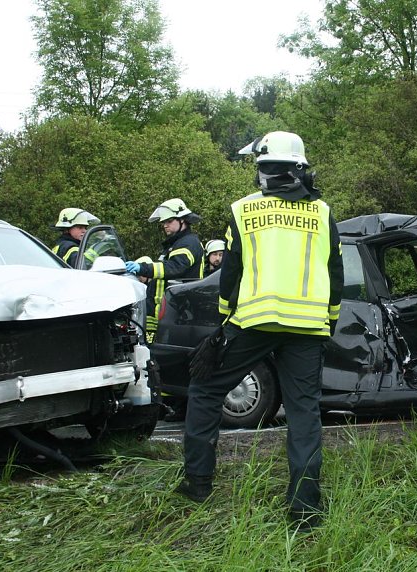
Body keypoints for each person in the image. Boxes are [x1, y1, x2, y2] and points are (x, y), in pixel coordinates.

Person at [178, 131, 344, 532]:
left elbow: (229, 273)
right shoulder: (321, 212)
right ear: (300, 168)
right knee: (304, 412)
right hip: (307, 326)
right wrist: (329, 321)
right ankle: (305, 508)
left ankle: (197, 484)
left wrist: (223, 322)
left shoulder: (242, 211)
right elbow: (334, 274)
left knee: (205, 388)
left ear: (261, 170)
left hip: (252, 322)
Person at [125, 198, 204, 343]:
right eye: (163, 223)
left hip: (179, 312)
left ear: (182, 220)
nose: (165, 225)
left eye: (169, 221)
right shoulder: (176, 244)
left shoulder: (188, 243)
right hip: (166, 312)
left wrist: (143, 268)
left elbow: (174, 267)